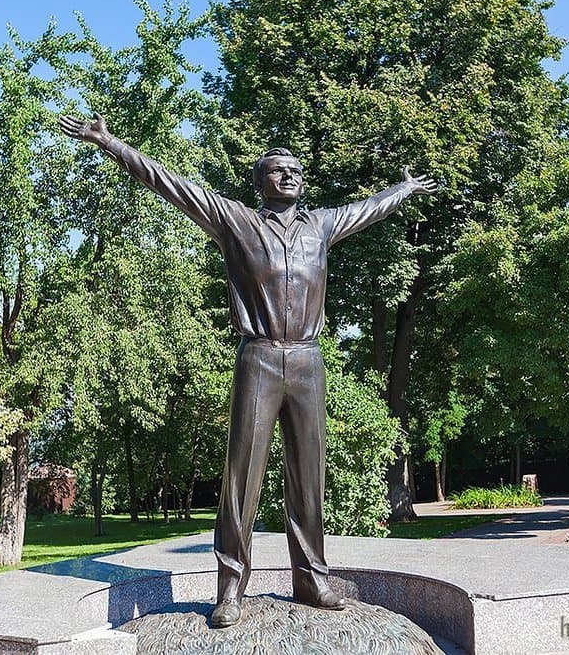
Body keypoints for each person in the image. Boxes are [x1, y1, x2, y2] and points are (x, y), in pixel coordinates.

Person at [59, 113, 438, 627]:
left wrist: (405, 188)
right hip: (259, 358)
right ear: (260, 182)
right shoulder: (236, 221)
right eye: (278, 170)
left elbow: (367, 209)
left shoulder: (321, 226)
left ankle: (310, 579)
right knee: (242, 477)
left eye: (296, 170)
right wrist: (109, 141)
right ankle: (231, 588)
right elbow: (169, 181)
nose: (290, 176)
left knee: (310, 475)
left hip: (308, 359)